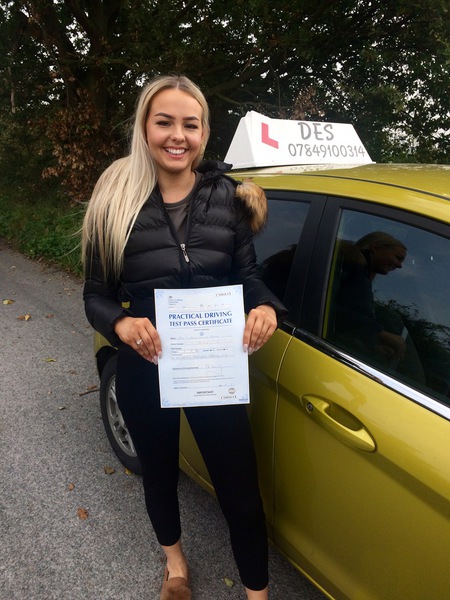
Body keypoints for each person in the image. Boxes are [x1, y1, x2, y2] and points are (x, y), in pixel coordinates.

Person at [82, 74, 286, 600]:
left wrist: (266, 305)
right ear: (144, 128)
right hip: (145, 361)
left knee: (240, 491)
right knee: (159, 474)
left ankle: (257, 593)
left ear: (204, 132)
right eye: (164, 122)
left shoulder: (230, 199)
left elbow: (248, 276)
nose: (178, 135)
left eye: (190, 125)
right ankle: (175, 566)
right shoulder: (114, 200)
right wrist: (121, 324)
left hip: (213, 366)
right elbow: (96, 295)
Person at [333, 231, 407, 366]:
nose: (400, 265)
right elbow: (340, 314)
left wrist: (371, 347)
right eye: (398, 258)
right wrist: (381, 334)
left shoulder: (359, 273)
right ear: (376, 247)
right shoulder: (352, 269)